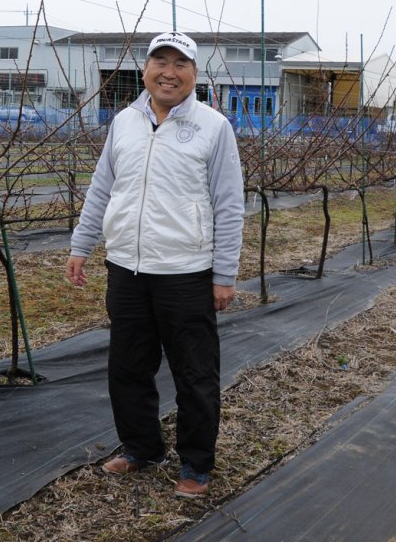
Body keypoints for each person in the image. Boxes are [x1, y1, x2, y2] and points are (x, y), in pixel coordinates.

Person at [65, 31, 244, 498]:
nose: (169, 71)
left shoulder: (213, 126)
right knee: (127, 366)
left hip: (185, 271)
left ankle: (196, 464)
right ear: (144, 69)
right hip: (126, 267)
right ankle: (142, 447)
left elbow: (228, 204)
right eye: (160, 61)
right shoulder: (124, 122)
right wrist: (81, 244)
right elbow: (103, 188)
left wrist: (224, 274)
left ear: (194, 73)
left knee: (195, 373)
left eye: (180, 63)